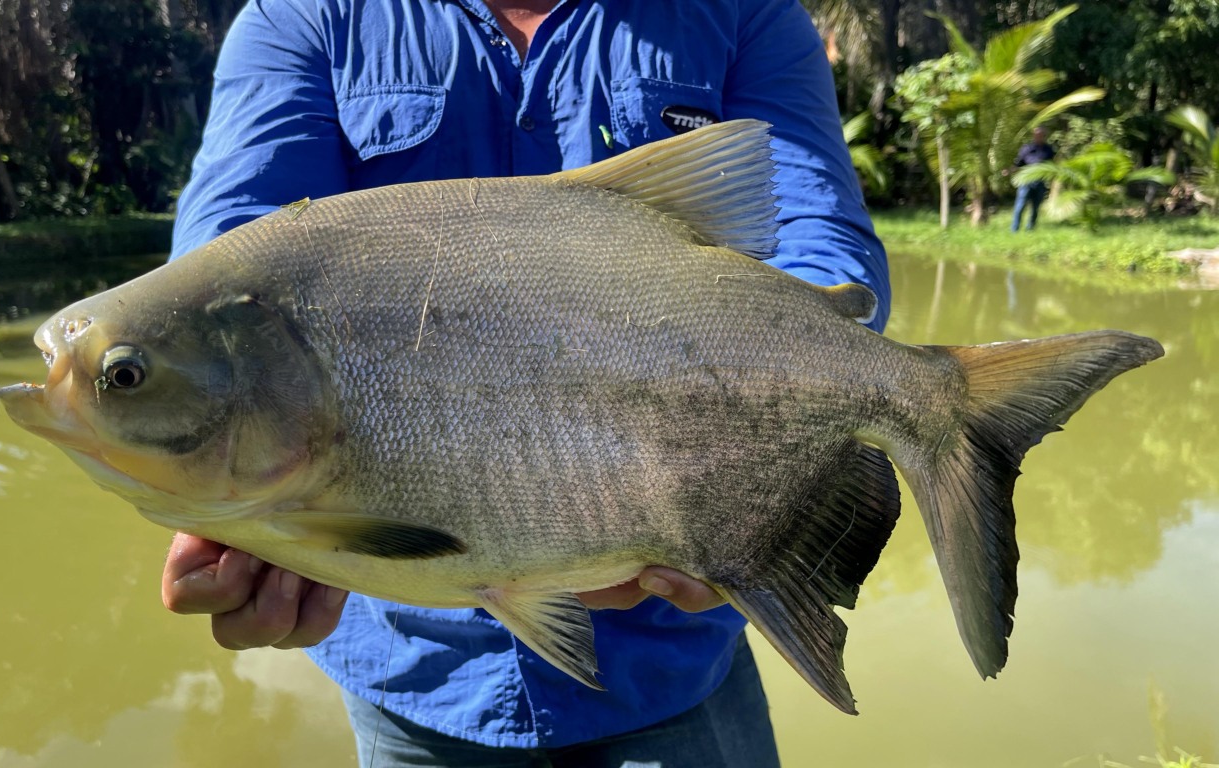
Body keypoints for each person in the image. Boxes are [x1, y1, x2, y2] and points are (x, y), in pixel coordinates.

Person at [164, 1, 890, 765]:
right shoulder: (308, 16)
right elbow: (231, 265)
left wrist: (771, 441)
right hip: (417, 673)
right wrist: (241, 484)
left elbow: (816, 235)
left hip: (675, 657)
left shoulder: (744, 15)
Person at [1010, 125, 1056, 232]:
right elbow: (1018, 163)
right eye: (1036, 135)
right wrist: (1011, 170)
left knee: (1035, 207)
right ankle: (1014, 229)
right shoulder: (1026, 148)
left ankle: (1030, 228)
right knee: (1020, 205)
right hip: (1026, 181)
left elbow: (1051, 164)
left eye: (1040, 135)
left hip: (1040, 181)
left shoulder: (1048, 149)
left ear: (1044, 136)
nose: (1038, 136)